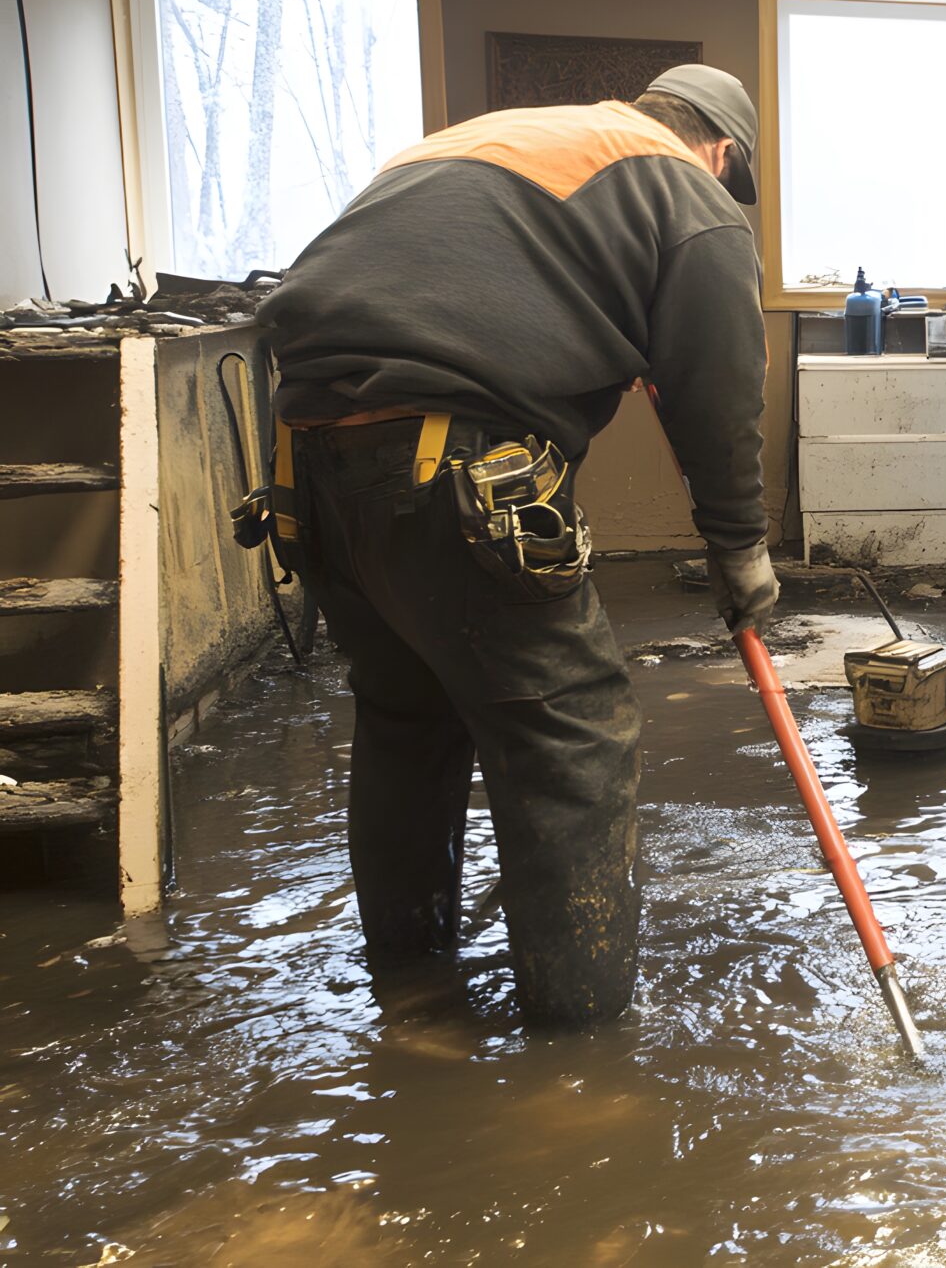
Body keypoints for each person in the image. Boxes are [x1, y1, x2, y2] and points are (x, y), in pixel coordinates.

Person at [255, 64, 779, 1027]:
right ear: (722, 147)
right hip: (453, 458)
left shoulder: (486, 141)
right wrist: (740, 547)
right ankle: (575, 1056)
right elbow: (719, 388)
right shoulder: (687, 190)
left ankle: (410, 993)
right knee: (571, 736)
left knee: (408, 722)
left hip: (307, 468)